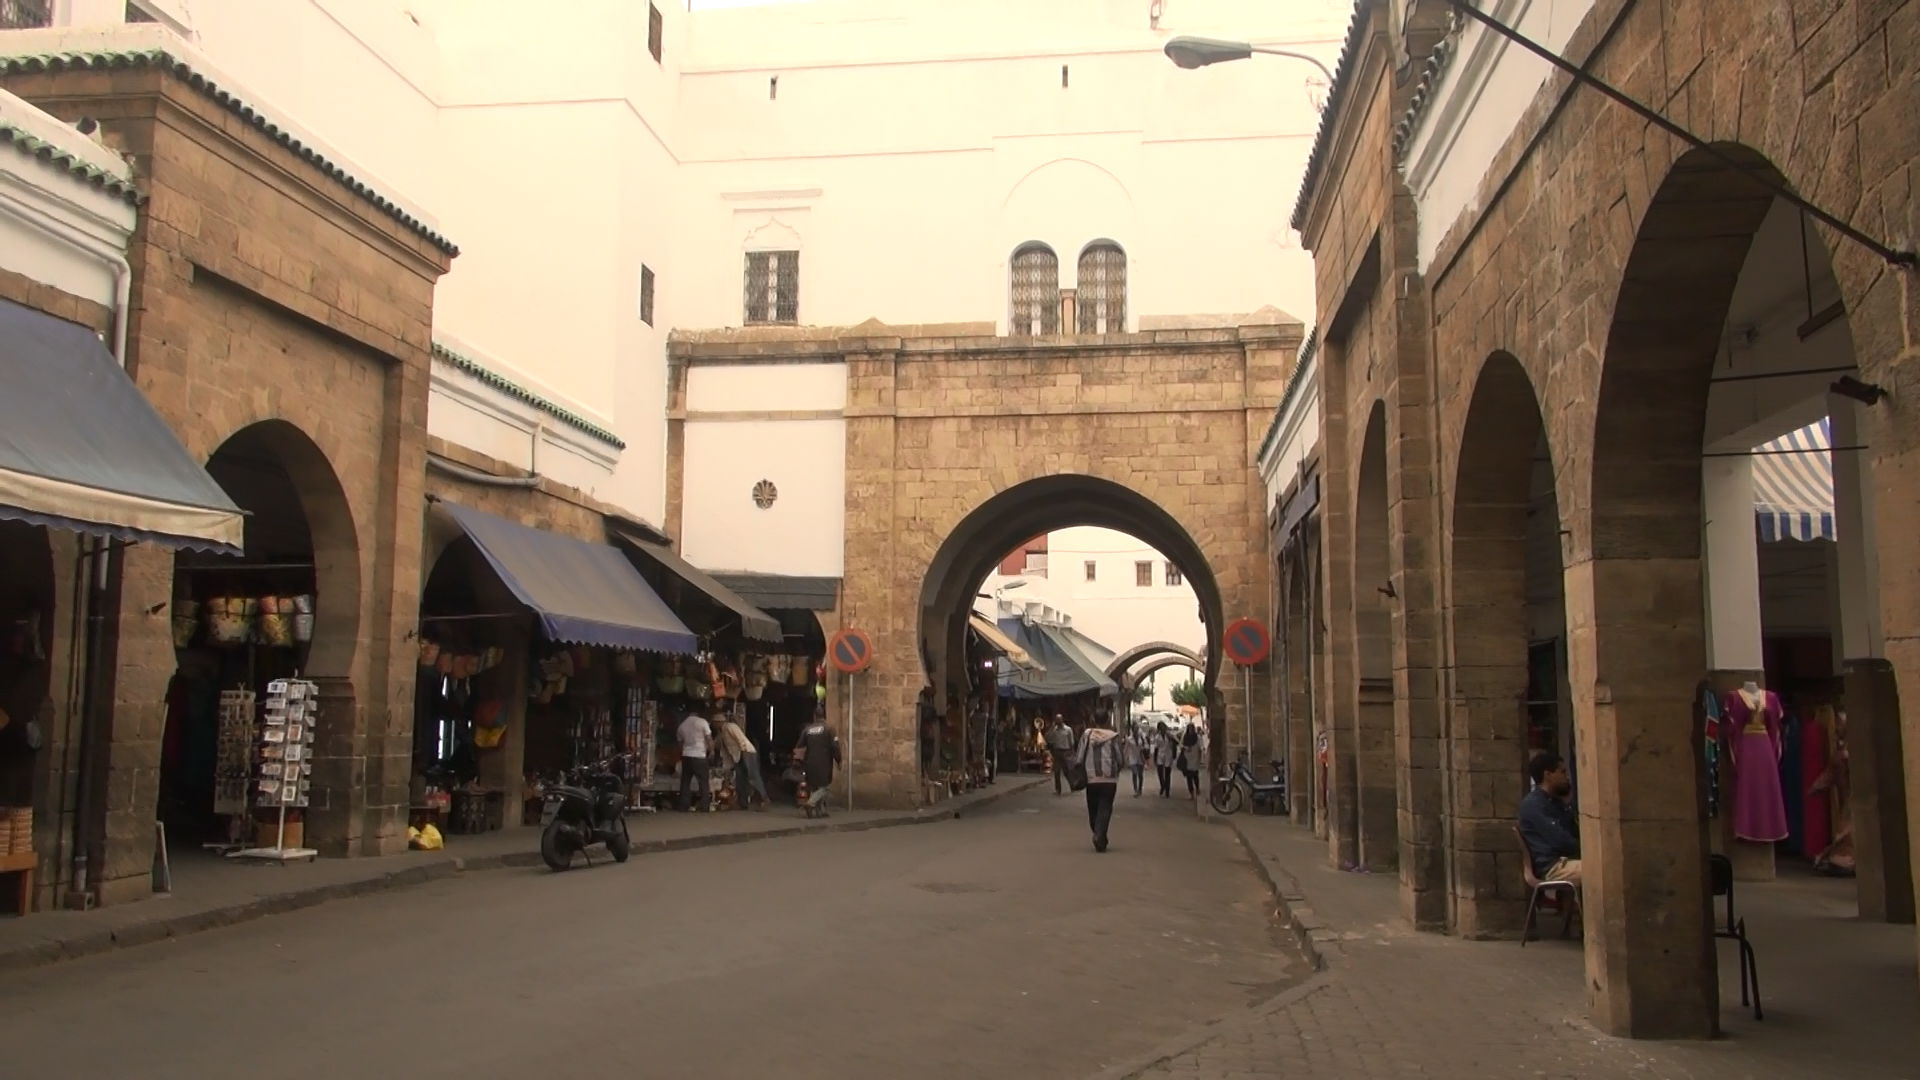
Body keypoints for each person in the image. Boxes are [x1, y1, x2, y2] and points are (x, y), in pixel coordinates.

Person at [1518, 751, 1581, 885]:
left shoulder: (1555, 802)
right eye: (1562, 772)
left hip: (1565, 860)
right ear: (1548, 775)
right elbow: (1561, 841)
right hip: (1552, 866)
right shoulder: (1534, 805)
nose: (1567, 777)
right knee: (1601, 871)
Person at [1075, 716, 1124, 852]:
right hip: (1109, 780)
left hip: (1092, 779)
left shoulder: (1087, 734)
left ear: (1094, 720)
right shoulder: (1114, 737)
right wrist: (1116, 770)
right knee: (1106, 808)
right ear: (1107, 721)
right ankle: (1100, 835)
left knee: (1093, 809)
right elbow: (1120, 759)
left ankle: (1098, 834)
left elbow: (1079, 757)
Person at [712, 701, 769, 811]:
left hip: (746, 752)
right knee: (740, 779)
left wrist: (744, 752)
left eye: (715, 723)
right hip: (738, 756)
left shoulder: (730, 727)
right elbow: (721, 747)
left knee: (753, 777)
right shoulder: (721, 733)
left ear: (718, 722)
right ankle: (743, 803)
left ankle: (764, 799)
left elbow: (740, 739)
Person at [796, 708, 843, 819]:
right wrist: (839, 760)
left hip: (809, 762)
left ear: (814, 716)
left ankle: (820, 811)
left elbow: (799, 745)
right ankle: (811, 803)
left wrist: (799, 761)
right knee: (824, 787)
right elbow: (835, 747)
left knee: (814, 786)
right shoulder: (829, 729)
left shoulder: (807, 730)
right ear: (824, 716)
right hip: (824, 763)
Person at [676, 707, 714, 812]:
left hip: (686, 755)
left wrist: (683, 753)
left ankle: (683, 806)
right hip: (699, 755)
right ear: (697, 714)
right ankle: (704, 806)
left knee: (685, 781)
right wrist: (712, 751)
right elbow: (709, 738)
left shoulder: (682, 725)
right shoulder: (702, 722)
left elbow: (680, 743)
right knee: (703, 782)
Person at [1046, 715, 1075, 796]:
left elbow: (1071, 741)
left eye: (1059, 719)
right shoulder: (1054, 730)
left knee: (1067, 771)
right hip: (1057, 751)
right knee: (1057, 771)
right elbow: (1048, 739)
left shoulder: (1068, 729)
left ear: (1062, 720)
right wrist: (1051, 728)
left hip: (1066, 751)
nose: (1058, 721)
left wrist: (1072, 752)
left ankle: (1072, 785)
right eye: (1056, 720)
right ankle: (1058, 789)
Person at [1177, 722, 1202, 799]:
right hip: (1187, 759)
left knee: (1195, 776)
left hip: (1195, 759)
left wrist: (1200, 759)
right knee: (1189, 777)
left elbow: (1200, 748)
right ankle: (1191, 793)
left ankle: (1197, 788)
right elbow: (1180, 745)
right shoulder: (1185, 737)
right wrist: (1185, 748)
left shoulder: (1197, 737)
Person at [1152, 722, 1177, 797]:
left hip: (1168, 755)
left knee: (1167, 774)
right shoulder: (1157, 737)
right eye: (1161, 728)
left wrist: (1171, 738)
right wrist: (1155, 758)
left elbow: (1176, 743)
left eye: (1163, 727)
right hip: (1160, 755)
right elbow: (1156, 748)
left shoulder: (1169, 735)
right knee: (1160, 772)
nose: (1162, 729)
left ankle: (1167, 791)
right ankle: (1163, 785)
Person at [1121, 724, 1145, 797]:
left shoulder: (1141, 738)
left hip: (1140, 757)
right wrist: (1124, 758)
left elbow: (1144, 747)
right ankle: (1135, 790)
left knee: (1140, 775)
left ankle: (1140, 789)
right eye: (1135, 729)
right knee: (1135, 773)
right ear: (1132, 730)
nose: (1136, 730)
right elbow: (1125, 749)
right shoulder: (1129, 739)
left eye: (1137, 729)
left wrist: (1145, 757)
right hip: (1132, 758)